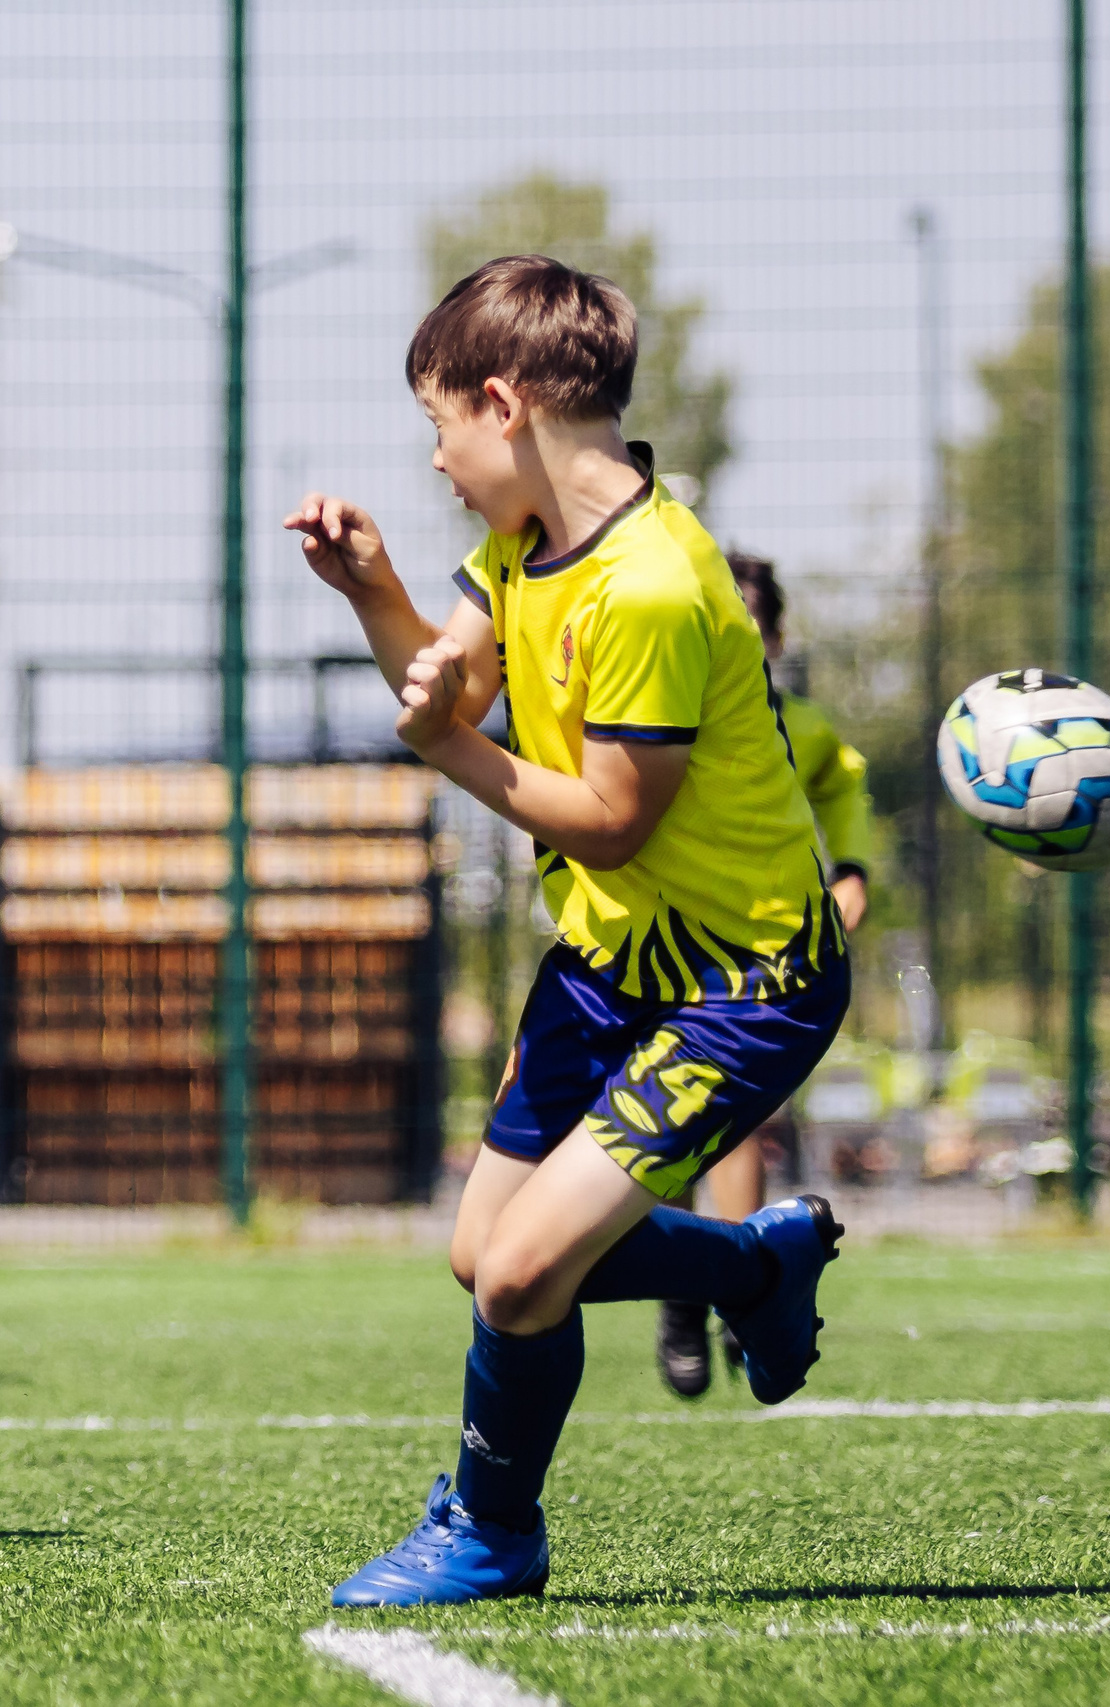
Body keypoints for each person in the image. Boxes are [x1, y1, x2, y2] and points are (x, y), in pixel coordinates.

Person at [287, 255, 851, 1607]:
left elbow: (609, 819)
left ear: (502, 402)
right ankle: (748, 1259)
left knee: (528, 1270)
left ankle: (491, 1528)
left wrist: (445, 753)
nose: (434, 463)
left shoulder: (650, 583)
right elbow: (458, 677)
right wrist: (376, 596)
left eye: (438, 428)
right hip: (609, 970)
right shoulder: (524, 543)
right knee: (485, 1253)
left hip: (743, 981)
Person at [656, 551, 875, 1398]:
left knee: (738, 1119)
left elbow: (841, 779)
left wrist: (850, 865)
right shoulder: (659, 712)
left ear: (775, 639)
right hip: (658, 937)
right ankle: (689, 1286)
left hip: (757, 945)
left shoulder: (797, 725)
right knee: (653, 1130)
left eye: (751, 625)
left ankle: (737, 1292)